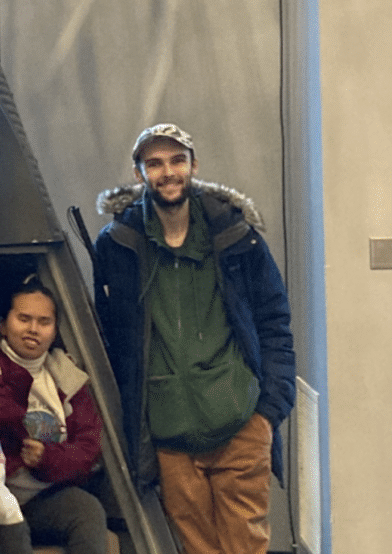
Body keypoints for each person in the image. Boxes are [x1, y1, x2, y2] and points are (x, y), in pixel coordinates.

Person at [92, 123, 296, 554]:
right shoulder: (118, 245)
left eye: (176, 161)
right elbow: (113, 339)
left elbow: (274, 321)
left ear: (193, 166)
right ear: (139, 173)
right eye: (155, 163)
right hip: (169, 439)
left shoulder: (236, 235)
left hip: (240, 423)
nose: (168, 172)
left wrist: (268, 412)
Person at [0, 276, 107, 554]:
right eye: (24, 318)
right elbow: (3, 417)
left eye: (44, 322)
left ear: (55, 331)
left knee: (87, 510)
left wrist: (47, 458)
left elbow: (89, 446)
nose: (33, 329)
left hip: (44, 495)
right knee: (10, 525)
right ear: (3, 325)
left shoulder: (67, 376)